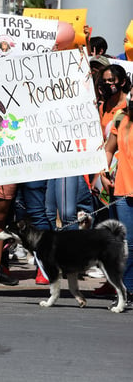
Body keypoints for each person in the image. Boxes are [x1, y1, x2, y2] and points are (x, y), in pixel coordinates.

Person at [99, 93, 133, 298]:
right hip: (123, 190)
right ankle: (127, 290)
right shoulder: (121, 118)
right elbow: (109, 149)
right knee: (128, 243)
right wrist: (103, 173)